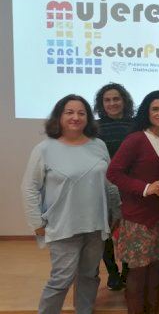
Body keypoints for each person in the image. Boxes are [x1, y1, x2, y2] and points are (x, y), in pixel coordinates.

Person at [22, 94, 119, 314]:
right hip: (62, 226)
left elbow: (109, 183)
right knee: (61, 279)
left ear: (88, 118)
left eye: (81, 113)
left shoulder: (99, 145)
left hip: (95, 225)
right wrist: (36, 223)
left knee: (89, 276)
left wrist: (116, 212)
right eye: (69, 112)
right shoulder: (44, 149)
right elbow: (29, 188)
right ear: (59, 116)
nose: (76, 117)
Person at [107, 91, 159, 314]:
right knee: (138, 273)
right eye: (155, 109)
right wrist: (147, 188)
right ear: (146, 113)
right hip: (138, 218)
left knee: (157, 272)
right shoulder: (136, 139)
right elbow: (113, 173)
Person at [94, 82, 135, 290]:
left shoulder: (136, 124)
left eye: (116, 99)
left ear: (124, 101)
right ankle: (112, 273)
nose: (112, 103)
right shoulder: (94, 127)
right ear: (101, 104)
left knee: (128, 231)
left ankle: (128, 270)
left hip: (130, 186)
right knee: (106, 232)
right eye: (107, 100)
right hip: (103, 186)